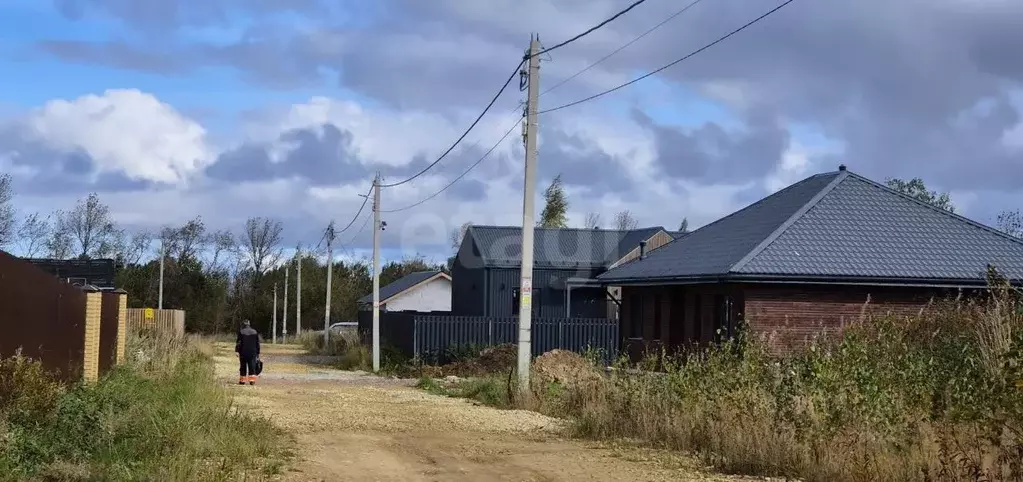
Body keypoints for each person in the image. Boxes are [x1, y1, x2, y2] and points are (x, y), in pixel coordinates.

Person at [235, 319, 261, 385]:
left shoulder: (241, 332)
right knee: (252, 366)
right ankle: (252, 381)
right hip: (253, 352)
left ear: (243, 325)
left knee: (243, 366)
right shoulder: (254, 332)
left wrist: (237, 351)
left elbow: (239, 343)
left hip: (243, 352)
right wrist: (258, 353)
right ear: (249, 324)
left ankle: (242, 381)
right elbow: (257, 343)